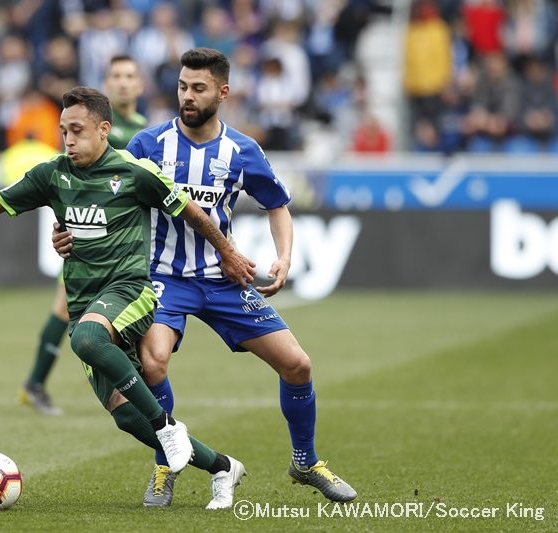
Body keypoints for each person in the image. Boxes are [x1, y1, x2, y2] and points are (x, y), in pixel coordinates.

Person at [53, 48, 357, 507]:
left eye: (198, 88)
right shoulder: (149, 145)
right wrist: (69, 235)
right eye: (181, 87)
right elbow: (104, 198)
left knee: (298, 365)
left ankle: (305, 461)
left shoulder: (242, 150)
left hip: (223, 278)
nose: (187, 96)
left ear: (223, 91)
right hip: (161, 279)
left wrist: (284, 256)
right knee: (152, 362)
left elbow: (278, 205)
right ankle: (164, 463)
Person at [0, 86, 253, 509]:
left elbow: (191, 211)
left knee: (84, 339)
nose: (68, 140)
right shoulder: (53, 174)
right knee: (126, 416)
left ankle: (167, 428)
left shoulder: (135, 173)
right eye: (63, 131)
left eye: (77, 130)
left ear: (104, 130)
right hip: (85, 300)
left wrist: (227, 252)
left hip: (130, 291)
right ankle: (222, 467)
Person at [19, 55, 147, 415]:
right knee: (64, 307)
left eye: (130, 75)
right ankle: (36, 383)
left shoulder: (143, 130)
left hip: (125, 242)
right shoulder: (90, 126)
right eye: (116, 75)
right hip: (88, 238)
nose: (123, 82)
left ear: (140, 85)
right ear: (107, 84)